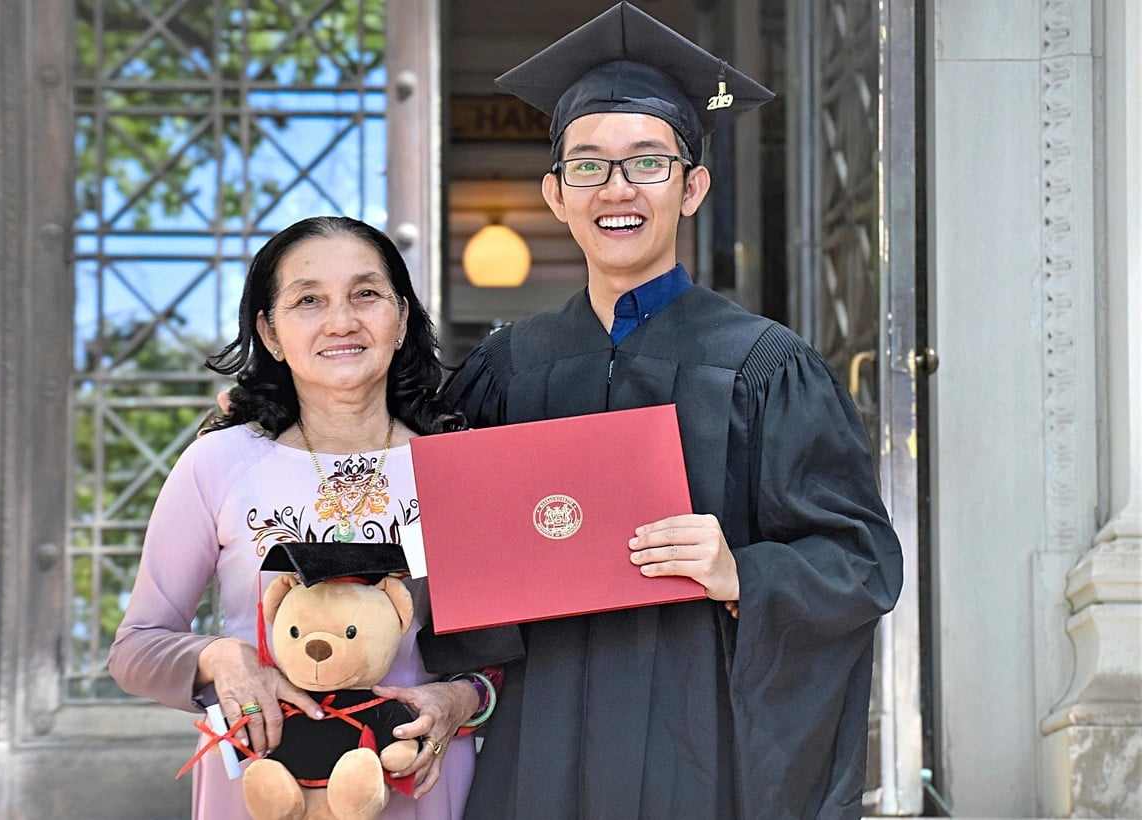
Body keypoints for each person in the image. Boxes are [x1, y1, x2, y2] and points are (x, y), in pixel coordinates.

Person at [443, 4, 904, 819]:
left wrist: (743, 572)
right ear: (555, 195)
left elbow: (862, 562)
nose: (616, 189)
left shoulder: (766, 367)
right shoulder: (506, 371)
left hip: (698, 757)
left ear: (693, 188)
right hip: (535, 751)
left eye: (647, 163)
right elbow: (439, 545)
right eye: (588, 166)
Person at [109, 215, 520, 820]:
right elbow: (135, 649)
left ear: (402, 318)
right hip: (262, 787)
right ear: (270, 333)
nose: (341, 321)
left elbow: (507, 659)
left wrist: (460, 700)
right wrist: (222, 659)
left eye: (366, 294)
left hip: (415, 785)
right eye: (308, 300)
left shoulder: (463, 469)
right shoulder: (217, 463)